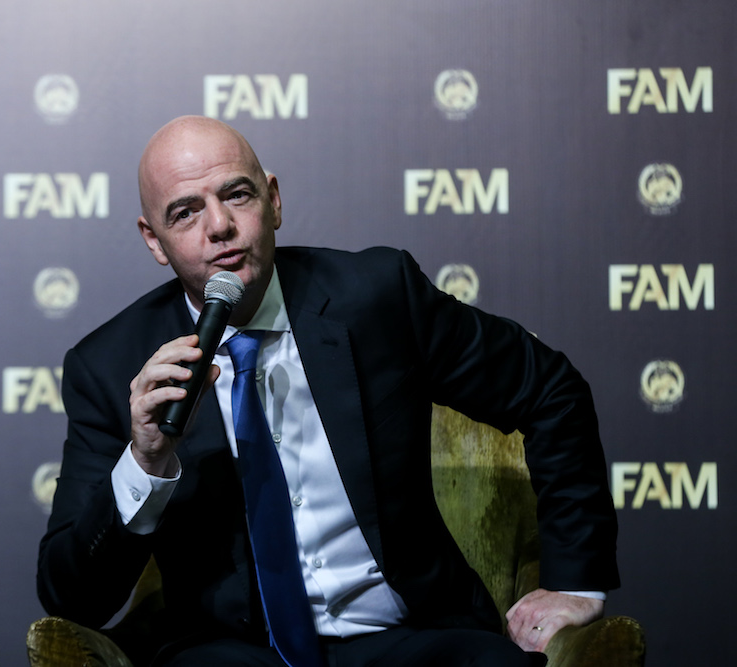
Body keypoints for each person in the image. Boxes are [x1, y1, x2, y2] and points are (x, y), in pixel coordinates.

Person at [37, 116, 620, 666]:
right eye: (186, 213)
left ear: (274, 201)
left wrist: (574, 581)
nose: (219, 226)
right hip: (234, 649)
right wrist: (144, 460)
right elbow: (72, 598)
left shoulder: (377, 296)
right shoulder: (110, 365)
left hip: (409, 637)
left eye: (237, 195)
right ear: (155, 241)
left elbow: (551, 389)